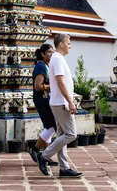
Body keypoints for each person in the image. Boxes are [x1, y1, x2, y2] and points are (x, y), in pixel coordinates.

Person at [36, 33, 82, 178]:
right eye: (68, 42)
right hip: (61, 103)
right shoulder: (57, 59)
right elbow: (60, 82)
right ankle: (44, 156)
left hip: (58, 102)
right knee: (71, 134)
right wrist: (70, 101)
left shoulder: (58, 58)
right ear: (61, 44)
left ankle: (64, 168)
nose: (70, 45)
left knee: (62, 134)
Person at [29, 43, 58, 164]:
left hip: (45, 99)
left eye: (52, 52)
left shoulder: (45, 66)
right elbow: (38, 86)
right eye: (49, 52)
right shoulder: (41, 67)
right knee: (52, 126)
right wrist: (52, 87)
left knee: (49, 126)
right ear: (42, 54)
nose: (51, 54)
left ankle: (46, 155)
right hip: (42, 99)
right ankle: (35, 148)